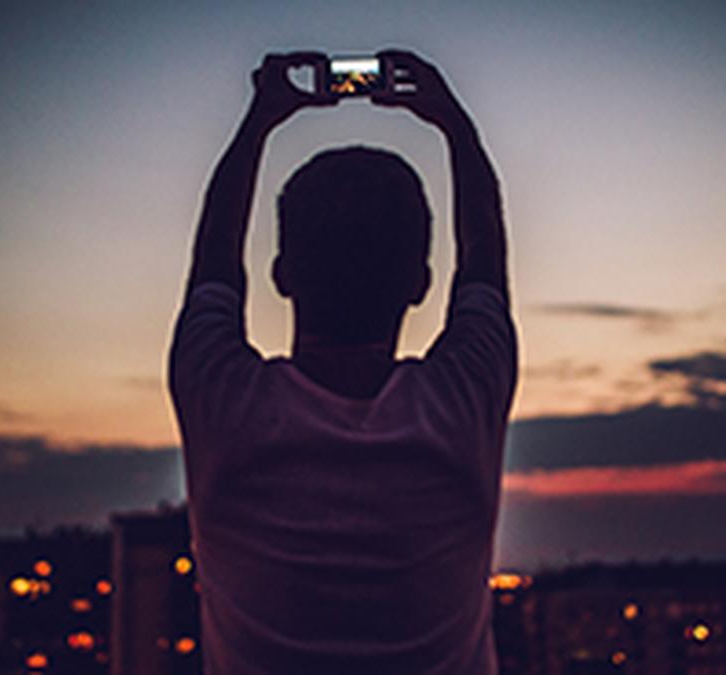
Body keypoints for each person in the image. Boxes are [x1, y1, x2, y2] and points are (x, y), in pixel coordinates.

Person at [168, 48, 517, 675]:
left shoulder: (221, 398)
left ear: (279, 275)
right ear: (421, 282)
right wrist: (455, 126)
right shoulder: (465, 398)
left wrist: (259, 122)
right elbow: (485, 261)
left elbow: (214, 264)